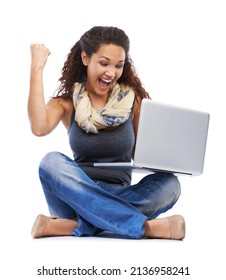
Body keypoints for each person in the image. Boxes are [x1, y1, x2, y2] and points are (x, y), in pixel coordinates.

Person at [28, 26, 185, 240]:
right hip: (75, 193)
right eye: (104, 63)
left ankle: (70, 226)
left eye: (118, 65)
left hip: (122, 193)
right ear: (85, 58)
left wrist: (171, 154)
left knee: (171, 185)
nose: (111, 73)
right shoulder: (67, 102)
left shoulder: (133, 100)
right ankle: (146, 228)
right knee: (50, 163)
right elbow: (39, 127)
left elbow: (144, 155)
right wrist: (36, 69)